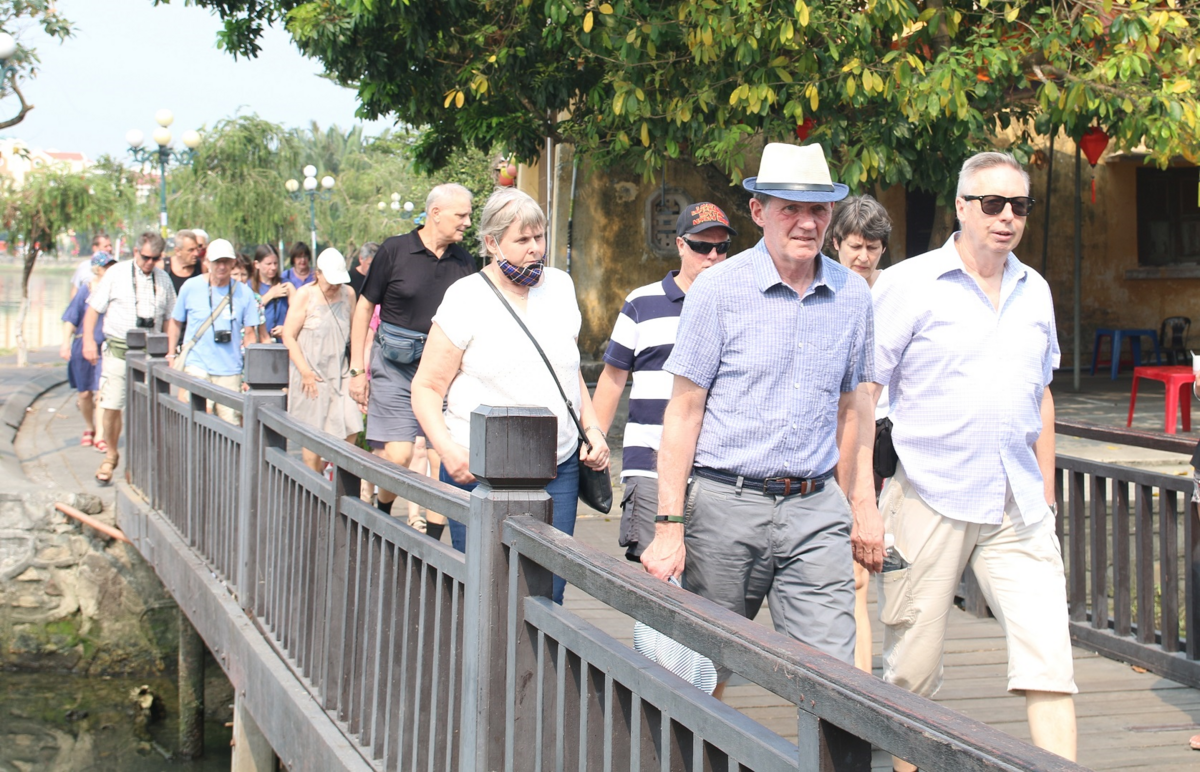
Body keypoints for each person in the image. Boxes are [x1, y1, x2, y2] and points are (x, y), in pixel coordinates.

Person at [641, 143, 881, 691]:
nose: (806, 223)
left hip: (815, 508)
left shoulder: (852, 295)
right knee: (698, 674)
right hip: (725, 507)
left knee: (835, 682)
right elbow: (684, 412)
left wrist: (858, 505)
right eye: (789, 209)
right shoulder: (717, 290)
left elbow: (855, 408)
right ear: (758, 211)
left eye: (818, 209)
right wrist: (668, 526)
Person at [866, 151, 1076, 769]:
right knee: (912, 671)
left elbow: (1042, 394)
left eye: (1019, 205)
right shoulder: (908, 284)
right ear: (961, 207)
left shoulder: (1035, 290)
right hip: (929, 493)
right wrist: (859, 500)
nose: (1007, 217)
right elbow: (863, 394)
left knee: (1051, 660)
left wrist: (1047, 492)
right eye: (992, 203)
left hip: (1017, 502)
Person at [411, 187, 609, 604]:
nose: (535, 248)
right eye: (522, 240)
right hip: (481, 469)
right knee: (487, 591)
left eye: (540, 237)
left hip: (557, 465)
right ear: (492, 242)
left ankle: (539, 652)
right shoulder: (465, 297)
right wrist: (446, 450)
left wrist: (592, 429)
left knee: (548, 591)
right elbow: (426, 387)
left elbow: (568, 371)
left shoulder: (560, 286)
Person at [592, 202, 736, 563]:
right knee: (656, 570)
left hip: (717, 469)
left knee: (706, 580)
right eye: (702, 246)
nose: (713, 256)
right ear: (681, 245)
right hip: (650, 462)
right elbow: (612, 378)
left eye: (721, 247)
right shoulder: (642, 303)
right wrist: (595, 437)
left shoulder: (739, 306)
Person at [348, 183, 477, 517]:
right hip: (394, 366)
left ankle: (431, 538)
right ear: (436, 213)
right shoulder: (394, 250)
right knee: (399, 455)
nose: (467, 222)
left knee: (442, 458)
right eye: (461, 215)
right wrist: (357, 370)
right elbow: (364, 308)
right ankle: (383, 509)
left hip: (443, 372)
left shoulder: (465, 262)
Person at [827, 193, 894, 675]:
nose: (864, 257)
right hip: (829, 434)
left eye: (873, 247)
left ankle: (861, 685)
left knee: (859, 576)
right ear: (836, 243)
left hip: (883, 437)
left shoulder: (895, 292)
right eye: (855, 246)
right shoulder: (822, 288)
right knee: (836, 570)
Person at [83, 232, 177, 484]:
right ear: (136, 252)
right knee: (112, 404)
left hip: (151, 353)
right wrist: (88, 341)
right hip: (118, 348)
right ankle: (111, 454)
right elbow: (93, 308)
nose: (149, 262)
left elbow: (171, 319)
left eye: (154, 258)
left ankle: (143, 462)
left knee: (149, 409)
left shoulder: (163, 279)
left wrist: (170, 351)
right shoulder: (116, 273)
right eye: (145, 257)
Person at [281, 248, 363, 472]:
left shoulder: (348, 293)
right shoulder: (305, 295)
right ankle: (314, 483)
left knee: (351, 423)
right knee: (313, 435)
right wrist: (305, 372)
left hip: (341, 371)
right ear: (318, 274)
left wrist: (358, 370)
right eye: (331, 281)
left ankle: (336, 472)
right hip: (312, 372)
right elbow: (288, 335)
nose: (335, 286)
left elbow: (356, 332)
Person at [165, 238, 263, 424]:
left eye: (226, 261)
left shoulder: (244, 293)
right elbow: (176, 322)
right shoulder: (191, 287)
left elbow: (250, 334)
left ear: (233, 263)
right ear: (207, 262)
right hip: (197, 364)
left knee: (231, 423)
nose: (222, 266)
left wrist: (250, 372)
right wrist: (171, 354)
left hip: (230, 368)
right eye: (217, 261)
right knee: (197, 418)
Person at [61, 251, 117, 448]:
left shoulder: (115, 291)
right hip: (82, 345)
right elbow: (71, 318)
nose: (110, 270)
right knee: (85, 393)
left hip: (105, 347)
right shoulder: (86, 291)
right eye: (106, 266)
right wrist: (65, 343)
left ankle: (100, 435)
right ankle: (89, 426)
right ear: (97, 269)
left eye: (112, 266)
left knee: (103, 391)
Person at [251, 244, 292, 342]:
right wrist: (270, 295)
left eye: (275, 263)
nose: (273, 267)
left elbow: (298, 311)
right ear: (257, 264)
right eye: (268, 264)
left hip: (283, 342)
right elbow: (249, 312)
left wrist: (286, 328)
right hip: (259, 342)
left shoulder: (286, 284)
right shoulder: (249, 287)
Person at [70, 234, 111, 300]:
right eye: (106, 246)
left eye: (110, 246)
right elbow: (74, 291)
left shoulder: (115, 267)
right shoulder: (83, 266)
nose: (109, 248)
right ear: (95, 248)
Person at [165, 229, 203, 294]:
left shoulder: (201, 267)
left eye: (197, 249)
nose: (196, 253)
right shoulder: (164, 267)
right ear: (177, 251)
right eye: (191, 250)